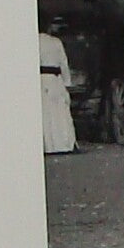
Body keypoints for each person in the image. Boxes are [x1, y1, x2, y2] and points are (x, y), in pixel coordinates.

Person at [39, 20, 77, 154]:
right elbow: (63, 64)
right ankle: (62, 144)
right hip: (54, 81)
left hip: (40, 81)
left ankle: (46, 145)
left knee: (44, 112)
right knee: (58, 112)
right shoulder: (56, 42)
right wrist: (67, 83)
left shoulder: (33, 41)